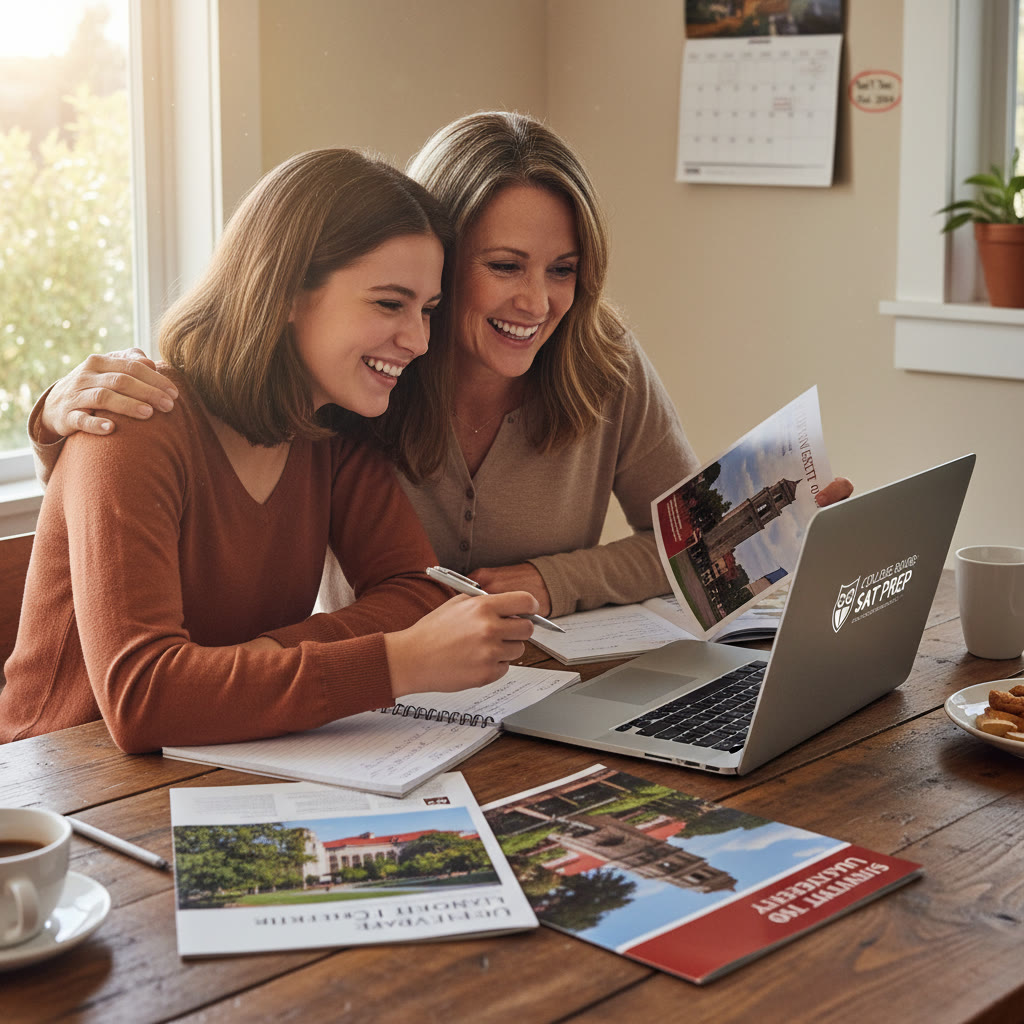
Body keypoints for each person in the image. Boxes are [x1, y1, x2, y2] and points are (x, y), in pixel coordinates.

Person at [29, 112, 852, 622]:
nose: (538, 301)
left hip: (538, 683)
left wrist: (551, 580)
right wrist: (56, 419)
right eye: (505, 265)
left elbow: (685, 546)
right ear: (436, 257)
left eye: (564, 270)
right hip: (377, 700)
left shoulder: (602, 361)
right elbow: (202, 436)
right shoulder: (360, 378)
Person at [0, 148, 538, 751]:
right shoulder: (134, 422)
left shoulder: (332, 431)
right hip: (63, 774)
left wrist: (258, 661)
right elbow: (143, 697)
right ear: (283, 292)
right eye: (390, 303)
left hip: (226, 753)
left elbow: (414, 590)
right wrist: (396, 663)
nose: (418, 340)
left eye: (428, 310)